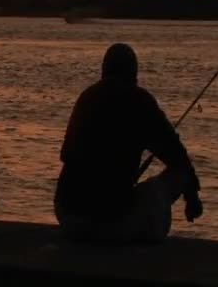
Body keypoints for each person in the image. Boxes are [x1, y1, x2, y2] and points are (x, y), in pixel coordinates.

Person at [54, 43, 203, 244]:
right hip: (112, 222)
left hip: (68, 215)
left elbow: (67, 155)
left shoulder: (86, 97)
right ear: (134, 73)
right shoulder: (140, 100)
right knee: (175, 178)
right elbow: (177, 156)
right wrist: (191, 196)